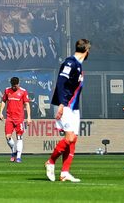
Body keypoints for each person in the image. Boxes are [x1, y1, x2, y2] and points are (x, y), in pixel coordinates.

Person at [45, 38, 90, 183]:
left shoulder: (78, 65)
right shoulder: (70, 62)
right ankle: (50, 162)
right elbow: (60, 82)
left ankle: (64, 172)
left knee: (73, 140)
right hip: (65, 106)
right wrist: (62, 105)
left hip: (73, 107)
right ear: (87, 51)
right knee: (69, 138)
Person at [0, 76, 32, 162]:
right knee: (7, 137)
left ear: (18, 84)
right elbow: (3, 101)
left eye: (15, 86)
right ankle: (14, 151)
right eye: (12, 86)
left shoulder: (23, 91)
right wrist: (0, 112)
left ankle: (18, 157)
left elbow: (27, 104)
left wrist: (29, 117)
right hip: (9, 118)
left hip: (19, 119)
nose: (14, 87)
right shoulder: (7, 90)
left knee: (19, 137)